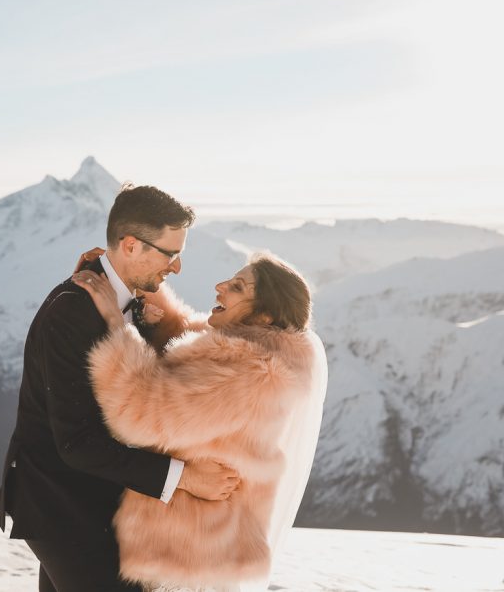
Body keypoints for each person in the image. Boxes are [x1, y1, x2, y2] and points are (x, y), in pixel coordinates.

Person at [0, 185, 243, 592]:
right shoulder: (72, 312)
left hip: (92, 502)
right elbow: (77, 443)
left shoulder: (127, 302)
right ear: (130, 246)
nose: (177, 268)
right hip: (63, 507)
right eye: (170, 253)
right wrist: (185, 478)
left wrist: (141, 328)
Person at [72, 251, 328, 592]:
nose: (220, 286)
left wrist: (117, 328)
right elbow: (181, 335)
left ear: (265, 316)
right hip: (199, 551)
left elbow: (139, 413)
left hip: (185, 559)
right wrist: (125, 275)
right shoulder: (250, 351)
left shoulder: (249, 373)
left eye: (237, 287)